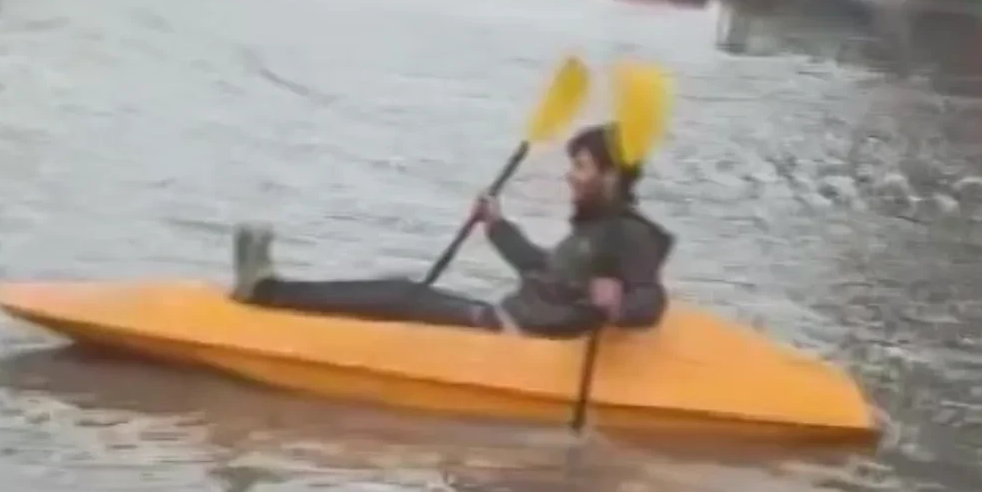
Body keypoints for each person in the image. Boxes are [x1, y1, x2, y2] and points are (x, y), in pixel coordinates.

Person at [228, 124, 674, 337]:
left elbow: (650, 299)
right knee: (401, 294)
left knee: (402, 296)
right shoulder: (594, 229)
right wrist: (496, 225)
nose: (570, 176)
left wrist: (618, 307)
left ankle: (268, 293)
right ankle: (276, 294)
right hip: (500, 322)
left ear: (611, 177)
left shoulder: (627, 235)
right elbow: (541, 268)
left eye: (580, 167)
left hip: (510, 338)